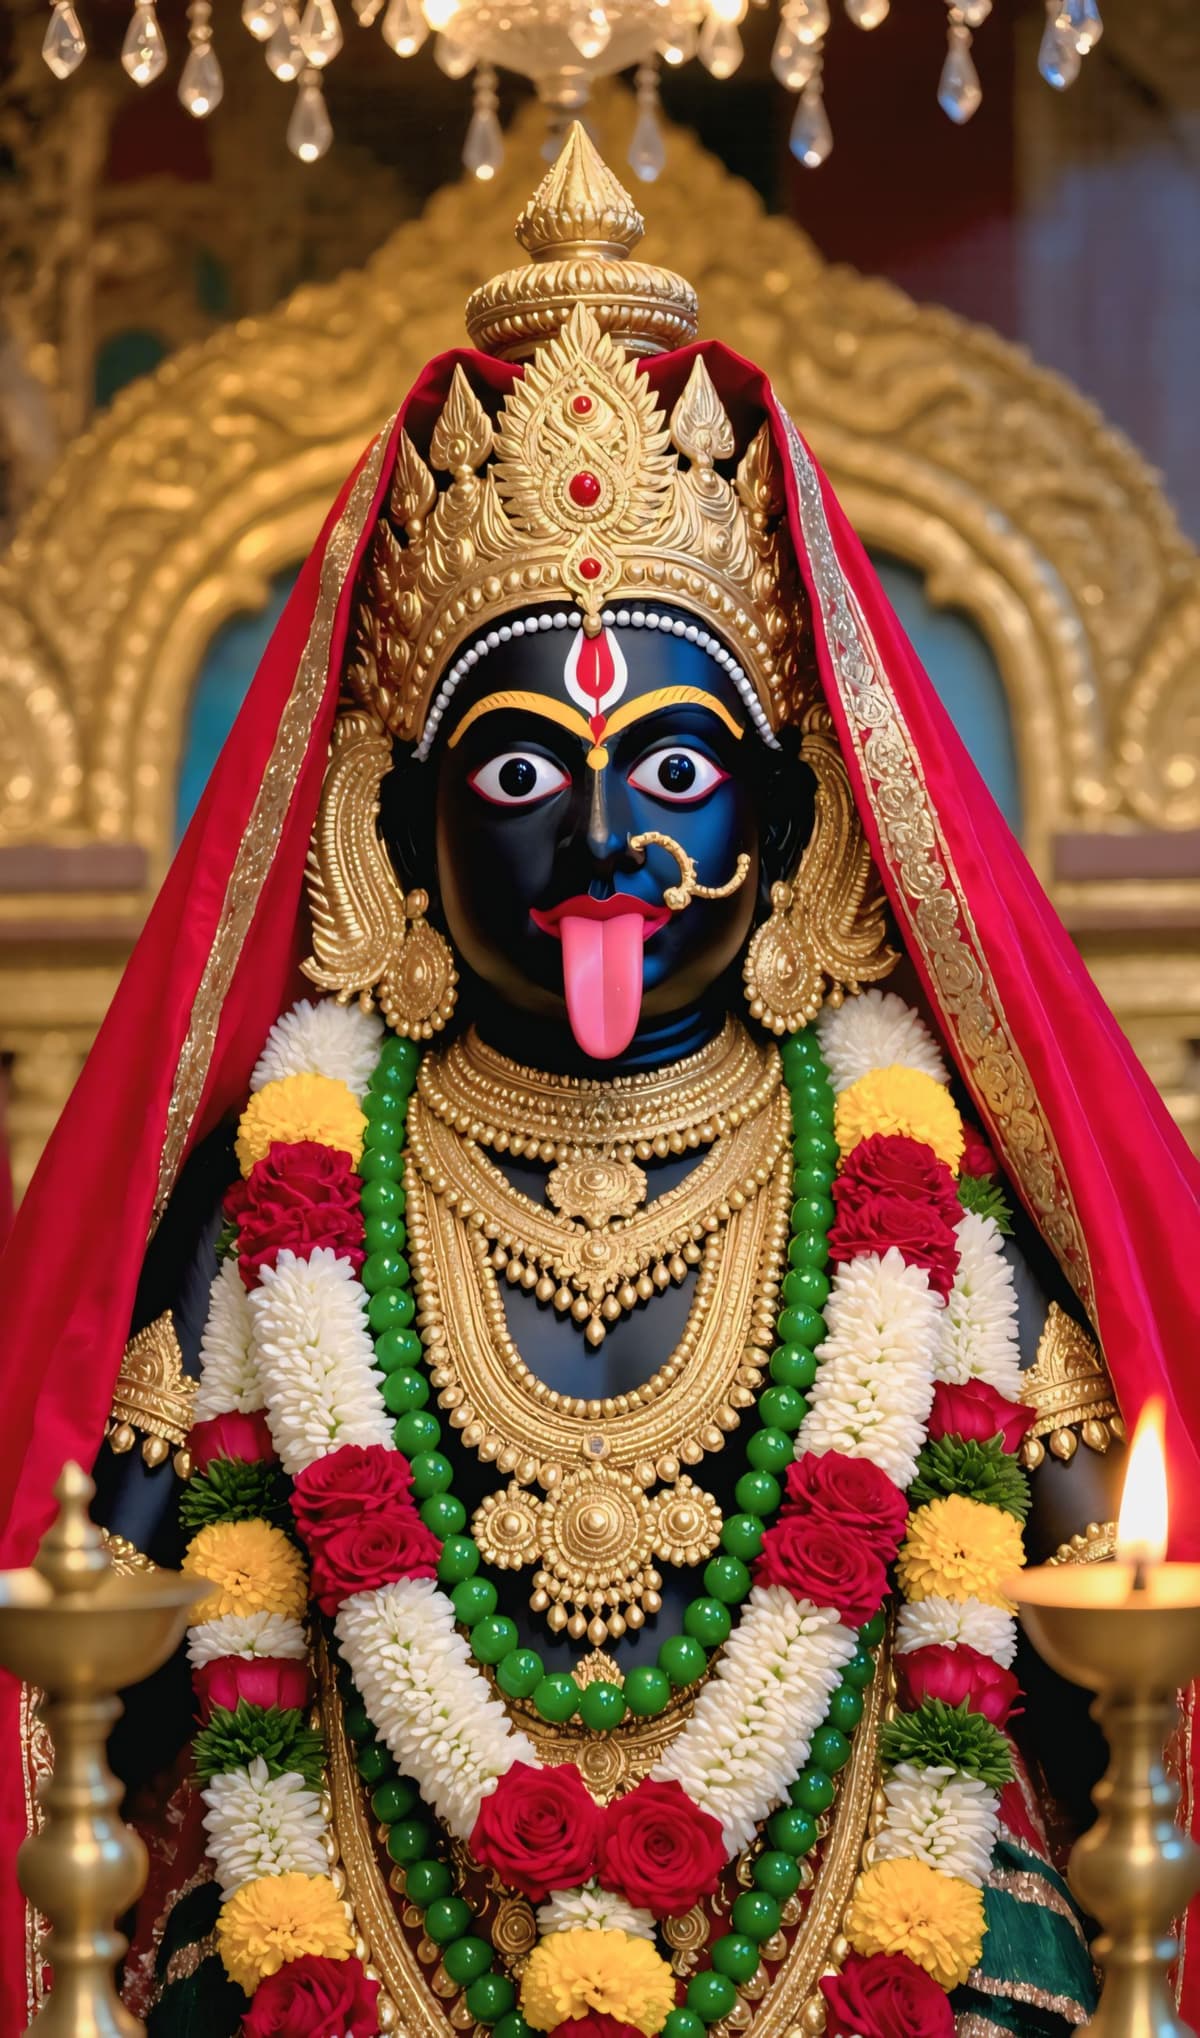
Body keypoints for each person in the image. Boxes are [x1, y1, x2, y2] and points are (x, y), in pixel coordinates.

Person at [2, 127, 1198, 2038]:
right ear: (397, 835)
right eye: (515, 777)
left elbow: (1114, 1597)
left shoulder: (921, 1189)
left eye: (674, 772)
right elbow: (83, 1604)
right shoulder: (288, 1188)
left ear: (793, 827)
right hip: (359, 1937)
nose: (597, 844)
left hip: (869, 1929)